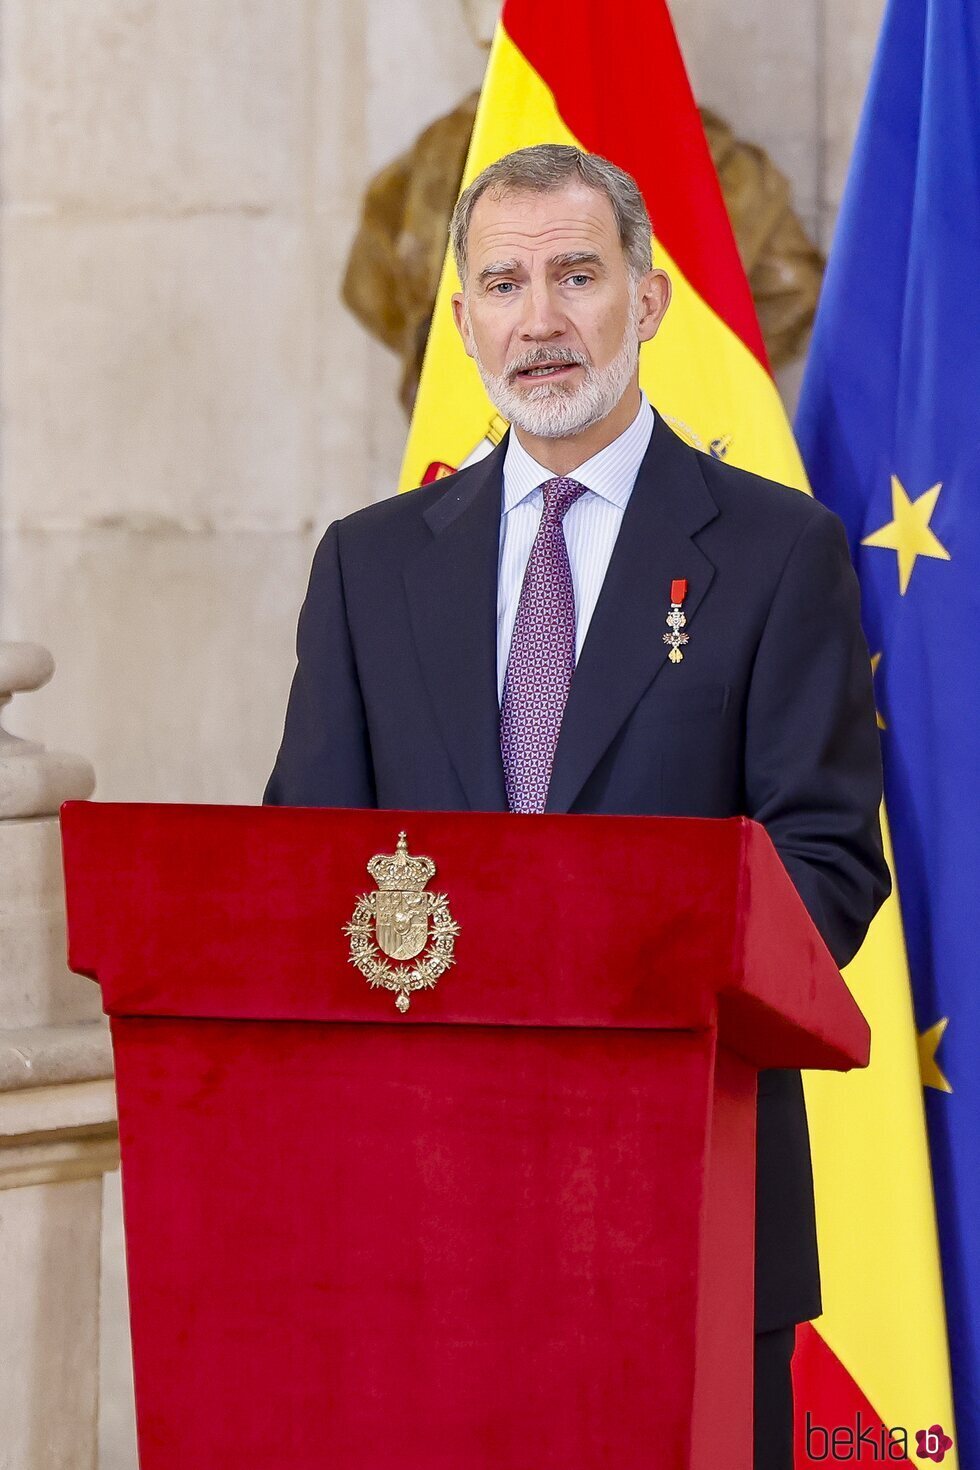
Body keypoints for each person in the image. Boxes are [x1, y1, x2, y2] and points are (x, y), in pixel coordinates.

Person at [265, 143, 890, 1470]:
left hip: (696, 1211)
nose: (537, 319)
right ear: (462, 318)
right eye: (501, 282)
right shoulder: (367, 570)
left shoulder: (780, 554)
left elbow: (829, 863)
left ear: (648, 299)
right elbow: (303, 874)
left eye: (574, 275)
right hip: (429, 1228)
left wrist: (621, 959)